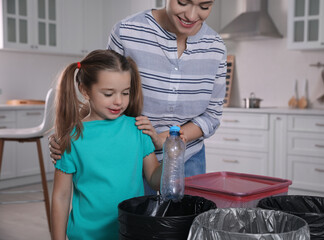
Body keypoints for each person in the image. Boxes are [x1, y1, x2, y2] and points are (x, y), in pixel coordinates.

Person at [50, 0, 227, 194]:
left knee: (186, 223)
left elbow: (211, 115)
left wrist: (170, 141)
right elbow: (103, 92)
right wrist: (72, 134)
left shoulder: (216, 47)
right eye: (183, 2)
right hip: (129, 158)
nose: (192, 16)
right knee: (134, 223)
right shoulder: (127, 32)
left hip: (188, 159)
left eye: (204, 6)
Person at [50, 49, 163, 240]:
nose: (118, 101)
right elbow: (61, 197)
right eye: (109, 93)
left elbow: (154, 178)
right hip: (86, 236)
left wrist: (174, 156)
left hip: (131, 232)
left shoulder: (137, 128)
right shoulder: (72, 138)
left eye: (125, 93)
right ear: (85, 91)